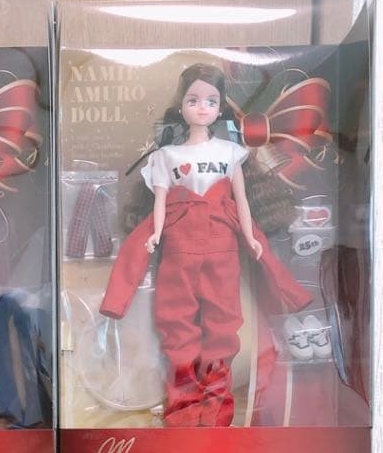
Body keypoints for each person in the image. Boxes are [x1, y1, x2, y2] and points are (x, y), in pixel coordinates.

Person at [100, 63, 312, 426]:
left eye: (211, 101)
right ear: (181, 105)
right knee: (176, 325)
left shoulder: (231, 152)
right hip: (178, 249)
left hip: (222, 247)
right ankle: (183, 412)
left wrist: (251, 237)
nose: (202, 108)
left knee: (223, 327)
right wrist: (155, 234)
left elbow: (241, 199)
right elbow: (160, 203)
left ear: (220, 107)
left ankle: (215, 411)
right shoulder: (166, 156)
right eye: (193, 100)